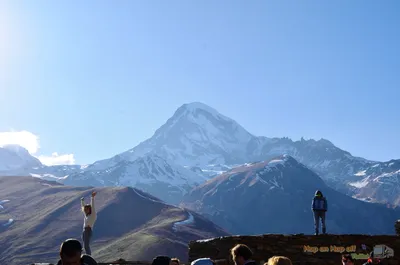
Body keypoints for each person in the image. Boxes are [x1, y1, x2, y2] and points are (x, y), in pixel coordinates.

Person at [81, 191, 97, 256]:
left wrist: (92, 198)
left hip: (88, 230)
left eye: (87, 209)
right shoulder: (87, 215)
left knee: (86, 246)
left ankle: (89, 258)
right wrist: (82, 201)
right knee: (85, 246)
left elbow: (93, 206)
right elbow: (83, 207)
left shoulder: (93, 215)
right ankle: (87, 256)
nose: (86, 210)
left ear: (90, 209)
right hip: (85, 230)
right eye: (85, 209)